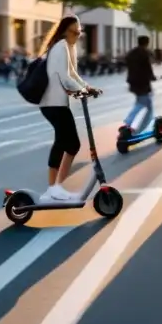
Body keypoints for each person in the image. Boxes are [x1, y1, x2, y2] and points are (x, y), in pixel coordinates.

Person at [38, 15, 99, 202]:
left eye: (79, 32)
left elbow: (73, 73)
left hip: (57, 102)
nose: (77, 35)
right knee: (67, 143)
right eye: (74, 32)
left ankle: (56, 187)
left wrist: (87, 87)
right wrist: (82, 89)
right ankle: (53, 188)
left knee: (69, 143)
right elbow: (64, 77)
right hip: (52, 103)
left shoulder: (69, 47)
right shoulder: (60, 46)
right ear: (65, 31)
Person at [122, 35, 157, 133]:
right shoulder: (145, 53)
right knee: (147, 106)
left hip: (132, 82)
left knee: (140, 102)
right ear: (147, 43)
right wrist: (152, 77)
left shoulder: (131, 53)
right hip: (143, 83)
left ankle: (130, 125)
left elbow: (127, 63)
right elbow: (148, 67)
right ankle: (132, 125)